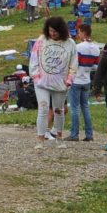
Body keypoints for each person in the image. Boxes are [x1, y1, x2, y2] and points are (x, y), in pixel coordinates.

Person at [29, 16, 74, 145]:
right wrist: (36, 77)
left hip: (61, 83)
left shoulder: (70, 43)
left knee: (59, 110)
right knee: (43, 109)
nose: (52, 34)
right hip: (41, 82)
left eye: (55, 31)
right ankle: (40, 140)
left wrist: (69, 79)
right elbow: (34, 59)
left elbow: (74, 63)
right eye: (50, 31)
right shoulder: (41, 40)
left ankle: (59, 138)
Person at [67, 23, 99, 142]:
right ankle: (89, 135)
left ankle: (74, 134)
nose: (78, 34)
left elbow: (74, 64)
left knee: (75, 108)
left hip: (76, 80)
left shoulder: (79, 47)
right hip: (86, 80)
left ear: (83, 32)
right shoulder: (96, 48)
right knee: (85, 107)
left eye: (79, 32)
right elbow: (96, 66)